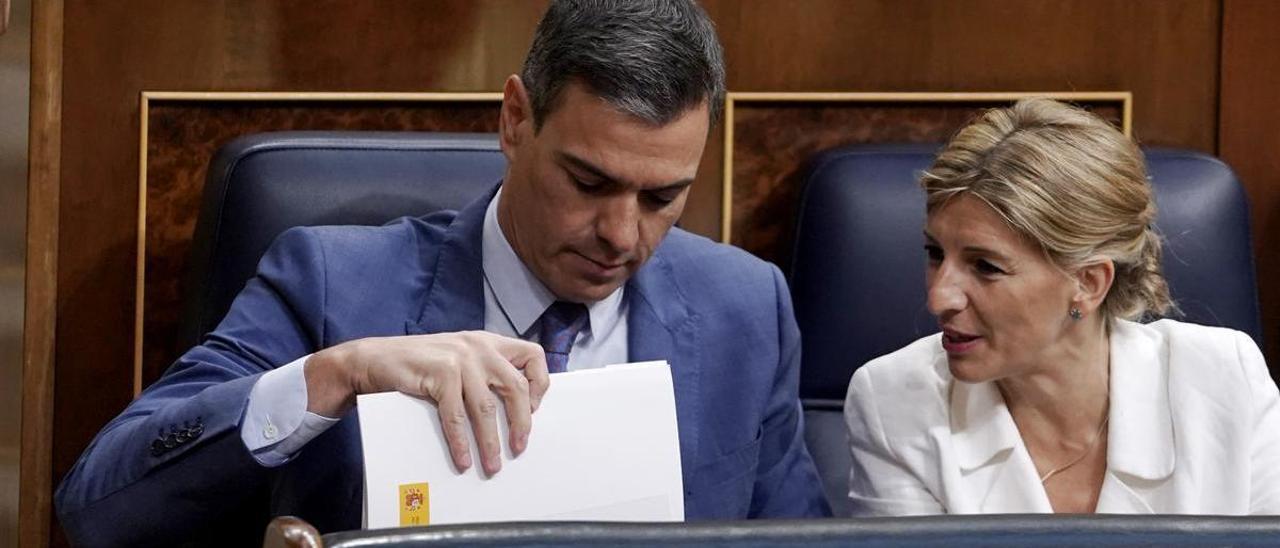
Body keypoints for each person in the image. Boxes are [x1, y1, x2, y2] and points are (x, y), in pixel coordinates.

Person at [56, 1, 830, 544]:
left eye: (663, 197)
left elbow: (800, 542)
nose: (622, 236)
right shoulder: (334, 285)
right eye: (589, 184)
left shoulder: (744, 307)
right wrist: (335, 373)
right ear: (515, 120)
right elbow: (99, 508)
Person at [844, 98, 1280, 515]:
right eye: (935, 253)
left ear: (1088, 283)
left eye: (986, 266)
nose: (939, 297)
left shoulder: (1224, 379)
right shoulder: (895, 401)